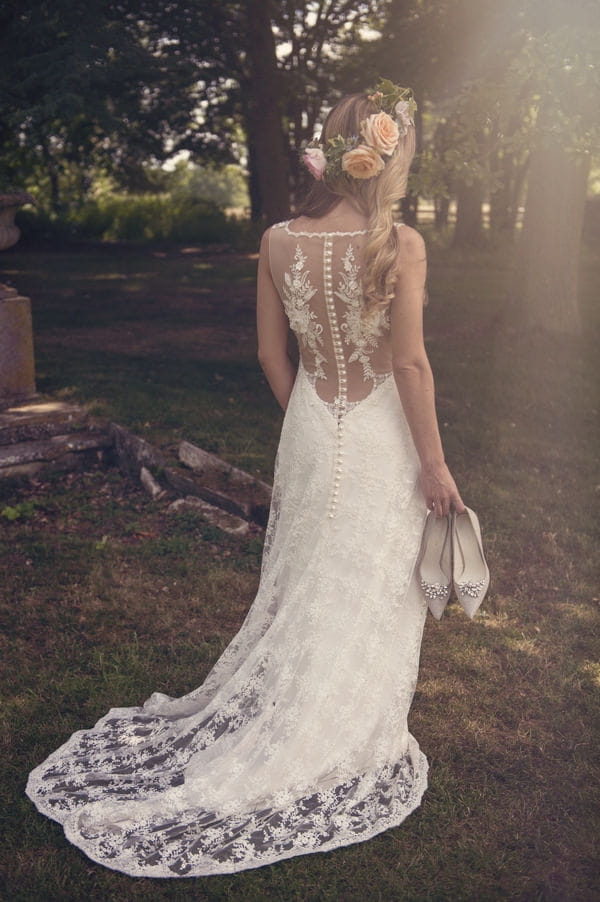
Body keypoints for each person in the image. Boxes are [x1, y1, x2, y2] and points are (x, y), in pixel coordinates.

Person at [26, 80, 465, 878]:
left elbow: (271, 356)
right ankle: (333, 730)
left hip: (309, 423)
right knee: (364, 580)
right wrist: (433, 464)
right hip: (378, 434)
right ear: (384, 157)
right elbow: (408, 362)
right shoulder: (399, 244)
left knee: (306, 576)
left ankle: (303, 714)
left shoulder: (276, 240)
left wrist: (311, 423)